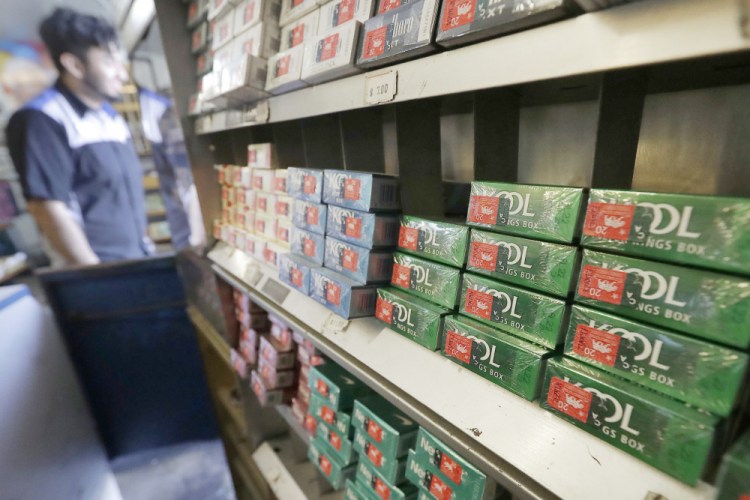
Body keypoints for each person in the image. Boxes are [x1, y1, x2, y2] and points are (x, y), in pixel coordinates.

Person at [6, 8, 153, 266]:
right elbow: (48, 208)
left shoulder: (110, 117)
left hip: (135, 259)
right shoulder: (43, 119)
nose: (121, 72)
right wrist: (95, 273)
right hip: (97, 275)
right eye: (109, 61)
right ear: (74, 65)